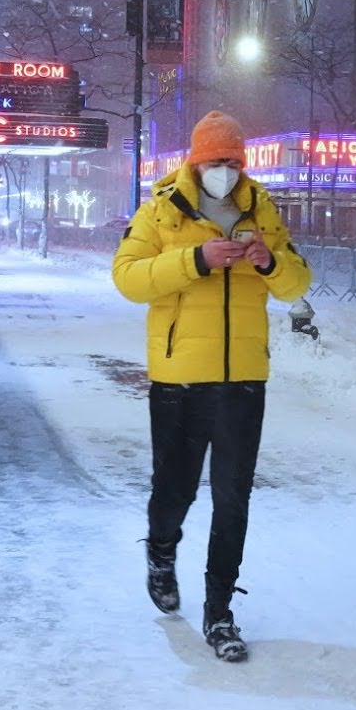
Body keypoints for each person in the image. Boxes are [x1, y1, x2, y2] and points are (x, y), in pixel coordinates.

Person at [112, 111, 312, 662]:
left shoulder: (262, 210)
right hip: (180, 378)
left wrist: (270, 261)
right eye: (214, 161)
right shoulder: (161, 211)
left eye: (231, 161)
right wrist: (195, 259)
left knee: (233, 501)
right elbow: (127, 277)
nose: (223, 169)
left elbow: (298, 281)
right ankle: (161, 550)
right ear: (195, 162)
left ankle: (219, 611)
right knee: (174, 490)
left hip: (245, 378)